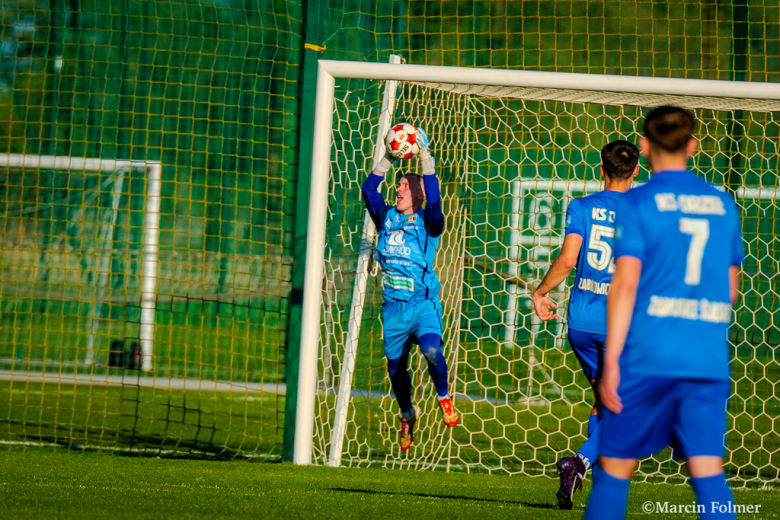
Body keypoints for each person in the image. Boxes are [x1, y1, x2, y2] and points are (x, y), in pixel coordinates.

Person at [584, 106, 742, 519]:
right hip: (705, 360)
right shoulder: (723, 205)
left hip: (648, 357)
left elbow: (624, 285)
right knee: (708, 472)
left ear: (644, 145)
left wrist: (612, 364)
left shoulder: (638, 202)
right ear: (692, 146)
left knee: (615, 470)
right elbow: (730, 290)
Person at [532, 140, 640, 510]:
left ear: (602, 170)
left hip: (581, 323)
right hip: (620, 325)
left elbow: (567, 260)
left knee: (603, 401)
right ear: (635, 172)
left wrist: (540, 293)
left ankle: (594, 479)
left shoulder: (581, 206)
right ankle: (578, 464)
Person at [361, 126, 458, 452]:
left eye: (405, 185)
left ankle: (444, 398)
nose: (398, 188)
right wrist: (389, 157)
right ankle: (407, 414)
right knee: (395, 368)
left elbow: (435, 198)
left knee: (431, 350)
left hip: (422, 304)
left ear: (419, 195)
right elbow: (369, 189)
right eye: (399, 184)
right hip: (393, 308)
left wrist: (425, 156)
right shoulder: (386, 216)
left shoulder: (430, 222)